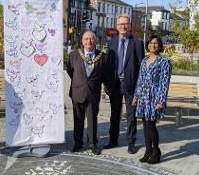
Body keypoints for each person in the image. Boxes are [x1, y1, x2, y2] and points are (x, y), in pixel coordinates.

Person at [104, 15, 144, 154]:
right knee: (115, 114)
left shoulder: (137, 43)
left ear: (130, 26)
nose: (123, 26)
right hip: (115, 84)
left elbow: (141, 68)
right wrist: (106, 84)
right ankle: (113, 140)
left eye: (125, 24)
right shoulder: (112, 42)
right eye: (120, 24)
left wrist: (139, 90)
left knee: (131, 115)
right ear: (117, 26)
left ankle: (131, 142)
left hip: (131, 85)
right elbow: (109, 65)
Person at [66, 30, 108, 155]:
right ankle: (78, 143)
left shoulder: (102, 56)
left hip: (93, 94)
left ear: (95, 41)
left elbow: (104, 75)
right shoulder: (74, 55)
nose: (89, 41)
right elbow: (70, 71)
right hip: (77, 92)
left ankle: (92, 143)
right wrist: (80, 82)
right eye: (86, 39)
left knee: (92, 120)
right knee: (77, 120)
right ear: (82, 41)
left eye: (91, 39)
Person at [132, 35, 171, 164]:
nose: (152, 45)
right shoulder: (144, 60)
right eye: (150, 43)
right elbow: (140, 80)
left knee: (150, 124)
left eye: (155, 43)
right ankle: (148, 150)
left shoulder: (163, 61)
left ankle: (156, 151)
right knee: (145, 125)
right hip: (143, 97)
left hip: (154, 97)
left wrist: (161, 101)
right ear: (147, 45)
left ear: (159, 46)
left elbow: (164, 83)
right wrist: (136, 97)